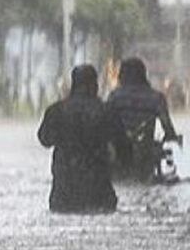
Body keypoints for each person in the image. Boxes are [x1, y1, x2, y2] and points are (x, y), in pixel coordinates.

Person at [38, 65, 126, 212]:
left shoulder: (56, 111)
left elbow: (44, 140)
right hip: (99, 191)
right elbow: (123, 146)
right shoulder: (107, 111)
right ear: (95, 85)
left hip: (64, 192)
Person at [105, 57, 180, 181]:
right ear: (144, 74)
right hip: (145, 152)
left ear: (121, 75)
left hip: (119, 152)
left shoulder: (114, 97)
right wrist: (171, 137)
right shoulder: (157, 97)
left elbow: (106, 124)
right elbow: (168, 129)